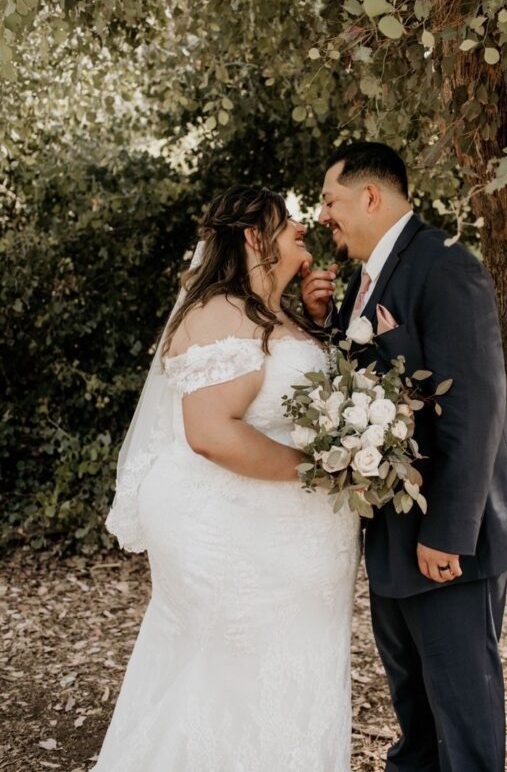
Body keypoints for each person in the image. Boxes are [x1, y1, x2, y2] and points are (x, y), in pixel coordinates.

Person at [94, 185, 361, 772]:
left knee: (292, 686)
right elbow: (211, 433)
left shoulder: (275, 312)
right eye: (287, 220)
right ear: (252, 237)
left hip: (292, 546)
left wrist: (316, 323)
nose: (301, 227)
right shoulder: (219, 309)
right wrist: (323, 471)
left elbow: (281, 393)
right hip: (242, 543)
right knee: (231, 690)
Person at [301, 142, 507, 772]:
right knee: (416, 713)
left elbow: (477, 404)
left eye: (330, 200)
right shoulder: (364, 280)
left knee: (463, 719)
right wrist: (325, 323)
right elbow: (366, 383)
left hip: (446, 536)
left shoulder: (445, 265)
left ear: (370, 196)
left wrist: (448, 532)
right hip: (391, 529)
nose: (325, 215)